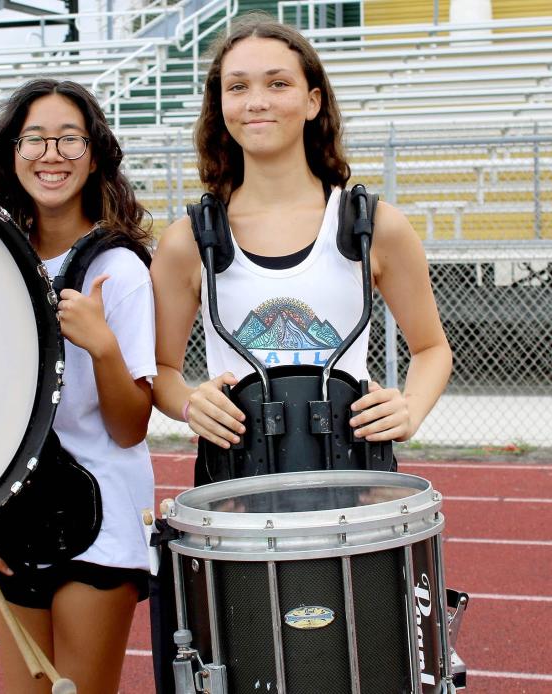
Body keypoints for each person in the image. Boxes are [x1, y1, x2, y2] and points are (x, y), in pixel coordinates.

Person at [148, 13, 452, 692]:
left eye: (277, 83)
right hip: (238, 492)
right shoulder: (186, 240)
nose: (256, 101)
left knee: (366, 665)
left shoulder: (372, 226)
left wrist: (409, 407)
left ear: (312, 99)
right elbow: (162, 374)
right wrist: (187, 401)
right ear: (218, 105)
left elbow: (431, 348)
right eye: (237, 87)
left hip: (355, 489)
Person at [0, 78, 157, 694]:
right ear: (13, 153)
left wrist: (104, 346)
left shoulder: (120, 270)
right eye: (35, 138)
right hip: (11, 516)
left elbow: (129, 426)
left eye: (70, 139)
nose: (52, 154)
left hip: (102, 516)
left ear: (94, 154)